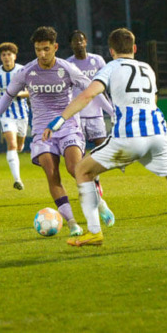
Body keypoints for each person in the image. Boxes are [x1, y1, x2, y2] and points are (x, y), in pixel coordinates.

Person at [44, 28, 167, 246]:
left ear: (111, 51)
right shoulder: (147, 68)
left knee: (82, 170)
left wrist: (60, 120)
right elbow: (153, 99)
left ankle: (94, 232)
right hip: (158, 135)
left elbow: (88, 94)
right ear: (135, 48)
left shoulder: (111, 67)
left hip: (129, 136)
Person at [0, 26, 115, 236]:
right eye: (38, 50)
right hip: (42, 132)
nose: (42, 54)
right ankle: (72, 224)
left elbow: (92, 91)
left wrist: (112, 112)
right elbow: (8, 95)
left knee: (75, 169)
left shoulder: (67, 69)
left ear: (55, 47)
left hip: (68, 127)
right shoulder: (26, 71)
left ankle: (100, 203)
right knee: (52, 174)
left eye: (46, 49)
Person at [66, 29, 114, 220]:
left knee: (102, 150)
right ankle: (92, 183)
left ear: (86, 42)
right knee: (80, 156)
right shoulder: (68, 64)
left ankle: (96, 178)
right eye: (75, 41)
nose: (78, 43)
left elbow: (104, 87)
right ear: (71, 44)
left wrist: (111, 109)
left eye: (81, 40)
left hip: (96, 115)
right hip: (77, 117)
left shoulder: (97, 61)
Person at [0, 42, 30, 190]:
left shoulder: (22, 70)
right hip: (5, 113)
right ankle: (17, 180)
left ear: (14, 56)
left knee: (19, 146)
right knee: (11, 144)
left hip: (22, 113)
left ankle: (18, 150)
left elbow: (31, 90)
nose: (6, 57)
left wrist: (19, 93)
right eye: (3, 55)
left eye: (9, 54)